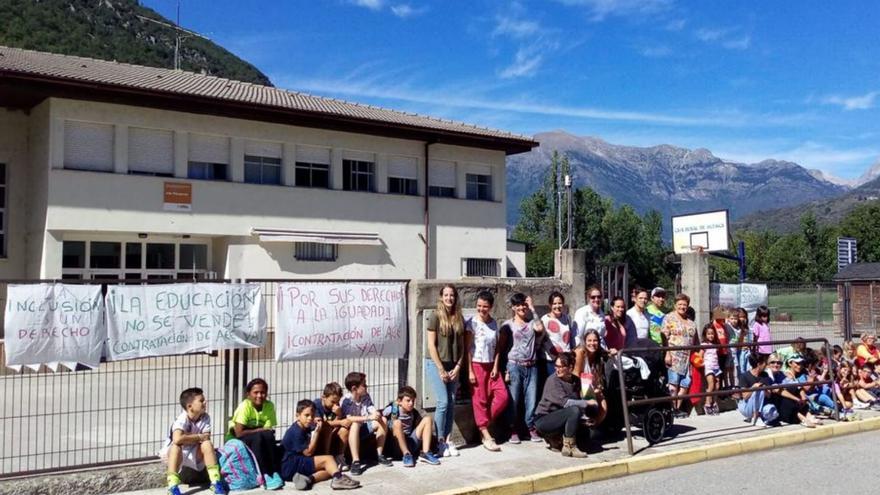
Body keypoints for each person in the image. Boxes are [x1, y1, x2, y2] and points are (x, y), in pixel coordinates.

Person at [281, 400, 361, 491]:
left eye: (312, 415)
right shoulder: (296, 431)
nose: (310, 418)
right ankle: (339, 479)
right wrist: (316, 433)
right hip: (290, 465)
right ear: (297, 416)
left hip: (297, 464)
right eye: (306, 415)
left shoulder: (304, 426)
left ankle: (308, 479)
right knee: (329, 459)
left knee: (331, 468)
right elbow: (308, 453)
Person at [425, 284, 466, 458]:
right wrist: (441, 369)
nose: (449, 298)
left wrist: (457, 367)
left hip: (453, 365)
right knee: (442, 402)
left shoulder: (459, 317)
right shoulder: (435, 316)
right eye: (446, 295)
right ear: (441, 297)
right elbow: (431, 345)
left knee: (451, 401)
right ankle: (439, 441)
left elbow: (463, 346)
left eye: (452, 295)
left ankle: (448, 440)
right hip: (436, 364)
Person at [160, 387, 226, 495]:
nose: (205, 402)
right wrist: (198, 437)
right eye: (201, 400)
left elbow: (206, 437)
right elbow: (177, 439)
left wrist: (188, 437)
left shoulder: (205, 417)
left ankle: (215, 482)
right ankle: (172, 487)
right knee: (176, 447)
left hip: (195, 452)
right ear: (190, 406)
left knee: (207, 444)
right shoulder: (182, 419)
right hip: (178, 454)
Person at [466, 290, 509, 452]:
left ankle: (483, 426)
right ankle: (486, 434)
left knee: (502, 396)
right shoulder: (472, 323)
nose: (481, 309)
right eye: (479, 306)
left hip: (491, 365)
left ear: (490, 307)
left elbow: (497, 347)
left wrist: (496, 366)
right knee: (480, 399)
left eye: (485, 306)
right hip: (477, 364)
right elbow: (468, 349)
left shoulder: (494, 323)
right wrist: (470, 371)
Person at [503, 293, 547, 443]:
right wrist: (505, 369)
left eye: (524, 305)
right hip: (515, 365)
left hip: (531, 366)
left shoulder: (531, 324)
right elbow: (502, 348)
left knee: (531, 399)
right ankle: (513, 429)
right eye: (518, 305)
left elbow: (540, 329)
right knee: (514, 400)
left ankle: (530, 427)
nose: (522, 307)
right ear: (513, 307)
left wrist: (533, 309)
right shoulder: (508, 325)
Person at [227, 378, 284, 490]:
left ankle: (273, 471)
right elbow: (239, 433)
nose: (259, 395)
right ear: (248, 394)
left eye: (262, 392)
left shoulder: (269, 406)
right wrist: (259, 430)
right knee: (259, 438)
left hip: (254, 434)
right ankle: (263, 473)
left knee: (268, 436)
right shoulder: (245, 406)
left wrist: (262, 431)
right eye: (255, 392)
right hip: (237, 439)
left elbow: (268, 430)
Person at [534, 352, 593, 458]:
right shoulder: (553, 381)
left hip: (563, 417)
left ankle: (557, 440)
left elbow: (582, 399)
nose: (557, 369)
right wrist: (586, 403)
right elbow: (566, 403)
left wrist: (585, 416)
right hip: (545, 419)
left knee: (588, 438)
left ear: (570, 368)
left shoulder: (576, 381)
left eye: (561, 367)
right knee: (574, 410)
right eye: (556, 366)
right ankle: (569, 446)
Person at [342, 372, 390, 475]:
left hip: (363, 427)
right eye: (364, 385)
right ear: (354, 388)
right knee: (355, 424)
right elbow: (349, 418)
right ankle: (356, 461)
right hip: (352, 431)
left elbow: (370, 408)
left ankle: (379, 454)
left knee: (383, 420)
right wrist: (368, 417)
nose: (366, 386)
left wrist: (376, 413)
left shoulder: (365, 396)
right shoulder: (347, 400)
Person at [383, 386, 441, 467]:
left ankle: (426, 452)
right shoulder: (393, 409)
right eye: (408, 401)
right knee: (397, 423)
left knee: (427, 419)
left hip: (411, 442)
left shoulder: (413, 412)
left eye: (413, 401)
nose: (411, 403)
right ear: (399, 401)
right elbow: (380, 417)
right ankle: (406, 454)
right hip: (396, 446)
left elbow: (420, 427)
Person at [663, 293, 699, 418]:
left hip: (687, 358)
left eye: (685, 304)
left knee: (685, 384)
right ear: (675, 305)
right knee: (673, 383)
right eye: (680, 304)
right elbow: (665, 337)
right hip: (674, 355)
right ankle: (672, 408)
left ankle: (677, 408)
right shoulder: (669, 318)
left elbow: (696, 342)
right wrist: (667, 353)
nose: (682, 307)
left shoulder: (691, 323)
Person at [573, 329, 609, 426]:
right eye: (589, 340)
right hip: (577, 386)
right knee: (593, 402)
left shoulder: (598, 355)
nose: (592, 343)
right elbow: (575, 378)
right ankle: (585, 426)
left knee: (603, 405)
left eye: (595, 340)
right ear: (585, 342)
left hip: (588, 385)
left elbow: (597, 377)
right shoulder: (580, 352)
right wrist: (591, 391)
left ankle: (592, 427)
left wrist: (597, 388)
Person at [312, 382, 351, 472]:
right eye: (332, 402)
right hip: (318, 437)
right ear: (323, 397)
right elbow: (321, 423)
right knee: (327, 429)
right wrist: (340, 421)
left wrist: (339, 414)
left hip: (331, 437)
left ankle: (339, 458)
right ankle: (326, 458)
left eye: (337, 402)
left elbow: (336, 424)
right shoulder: (316, 405)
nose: (335, 405)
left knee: (345, 429)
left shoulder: (336, 407)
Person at [736, 353, 779, 426]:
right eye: (764, 363)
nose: (766, 365)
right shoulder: (744, 376)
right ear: (759, 364)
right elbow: (745, 396)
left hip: (761, 405)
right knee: (758, 390)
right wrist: (753, 388)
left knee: (773, 412)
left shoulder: (765, 375)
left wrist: (765, 389)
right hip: (747, 406)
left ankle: (760, 417)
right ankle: (756, 417)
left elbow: (768, 395)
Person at [541, 291, 575, 378]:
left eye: (560, 303)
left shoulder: (567, 318)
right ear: (550, 305)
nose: (557, 306)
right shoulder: (545, 320)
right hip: (551, 361)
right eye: (554, 303)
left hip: (566, 360)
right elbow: (540, 340)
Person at [701, 324, 721, 415]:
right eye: (708, 334)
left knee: (717, 385)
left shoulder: (715, 345)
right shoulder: (704, 344)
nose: (711, 336)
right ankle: (707, 403)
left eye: (712, 334)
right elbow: (700, 355)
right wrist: (701, 363)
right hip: (708, 367)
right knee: (711, 385)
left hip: (716, 367)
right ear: (705, 335)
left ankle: (715, 402)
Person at [710, 307, 732, 390]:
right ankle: (716, 391)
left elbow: (726, 338)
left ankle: (721, 390)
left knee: (722, 372)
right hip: (716, 353)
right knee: (716, 374)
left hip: (724, 352)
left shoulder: (723, 326)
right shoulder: (712, 325)